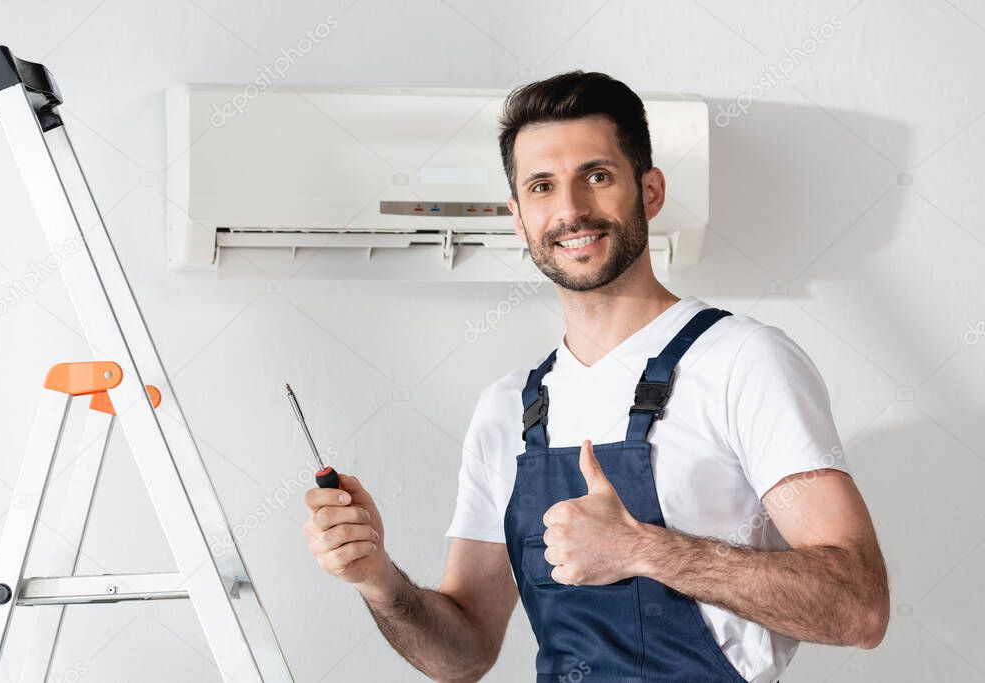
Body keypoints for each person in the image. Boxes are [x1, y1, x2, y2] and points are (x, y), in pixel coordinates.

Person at [304, 71, 889, 682]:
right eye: (541, 187)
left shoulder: (743, 360)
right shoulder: (508, 409)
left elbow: (860, 607)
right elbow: (465, 654)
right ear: (518, 218)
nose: (570, 210)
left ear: (651, 190)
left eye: (598, 176)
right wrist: (376, 578)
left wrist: (643, 550)